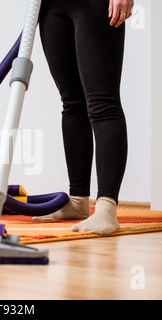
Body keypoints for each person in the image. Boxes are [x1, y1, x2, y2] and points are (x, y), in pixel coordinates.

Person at [33, 0, 134, 235]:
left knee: (103, 103)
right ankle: (78, 200)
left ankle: (107, 208)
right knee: (72, 103)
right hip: (50, 6)